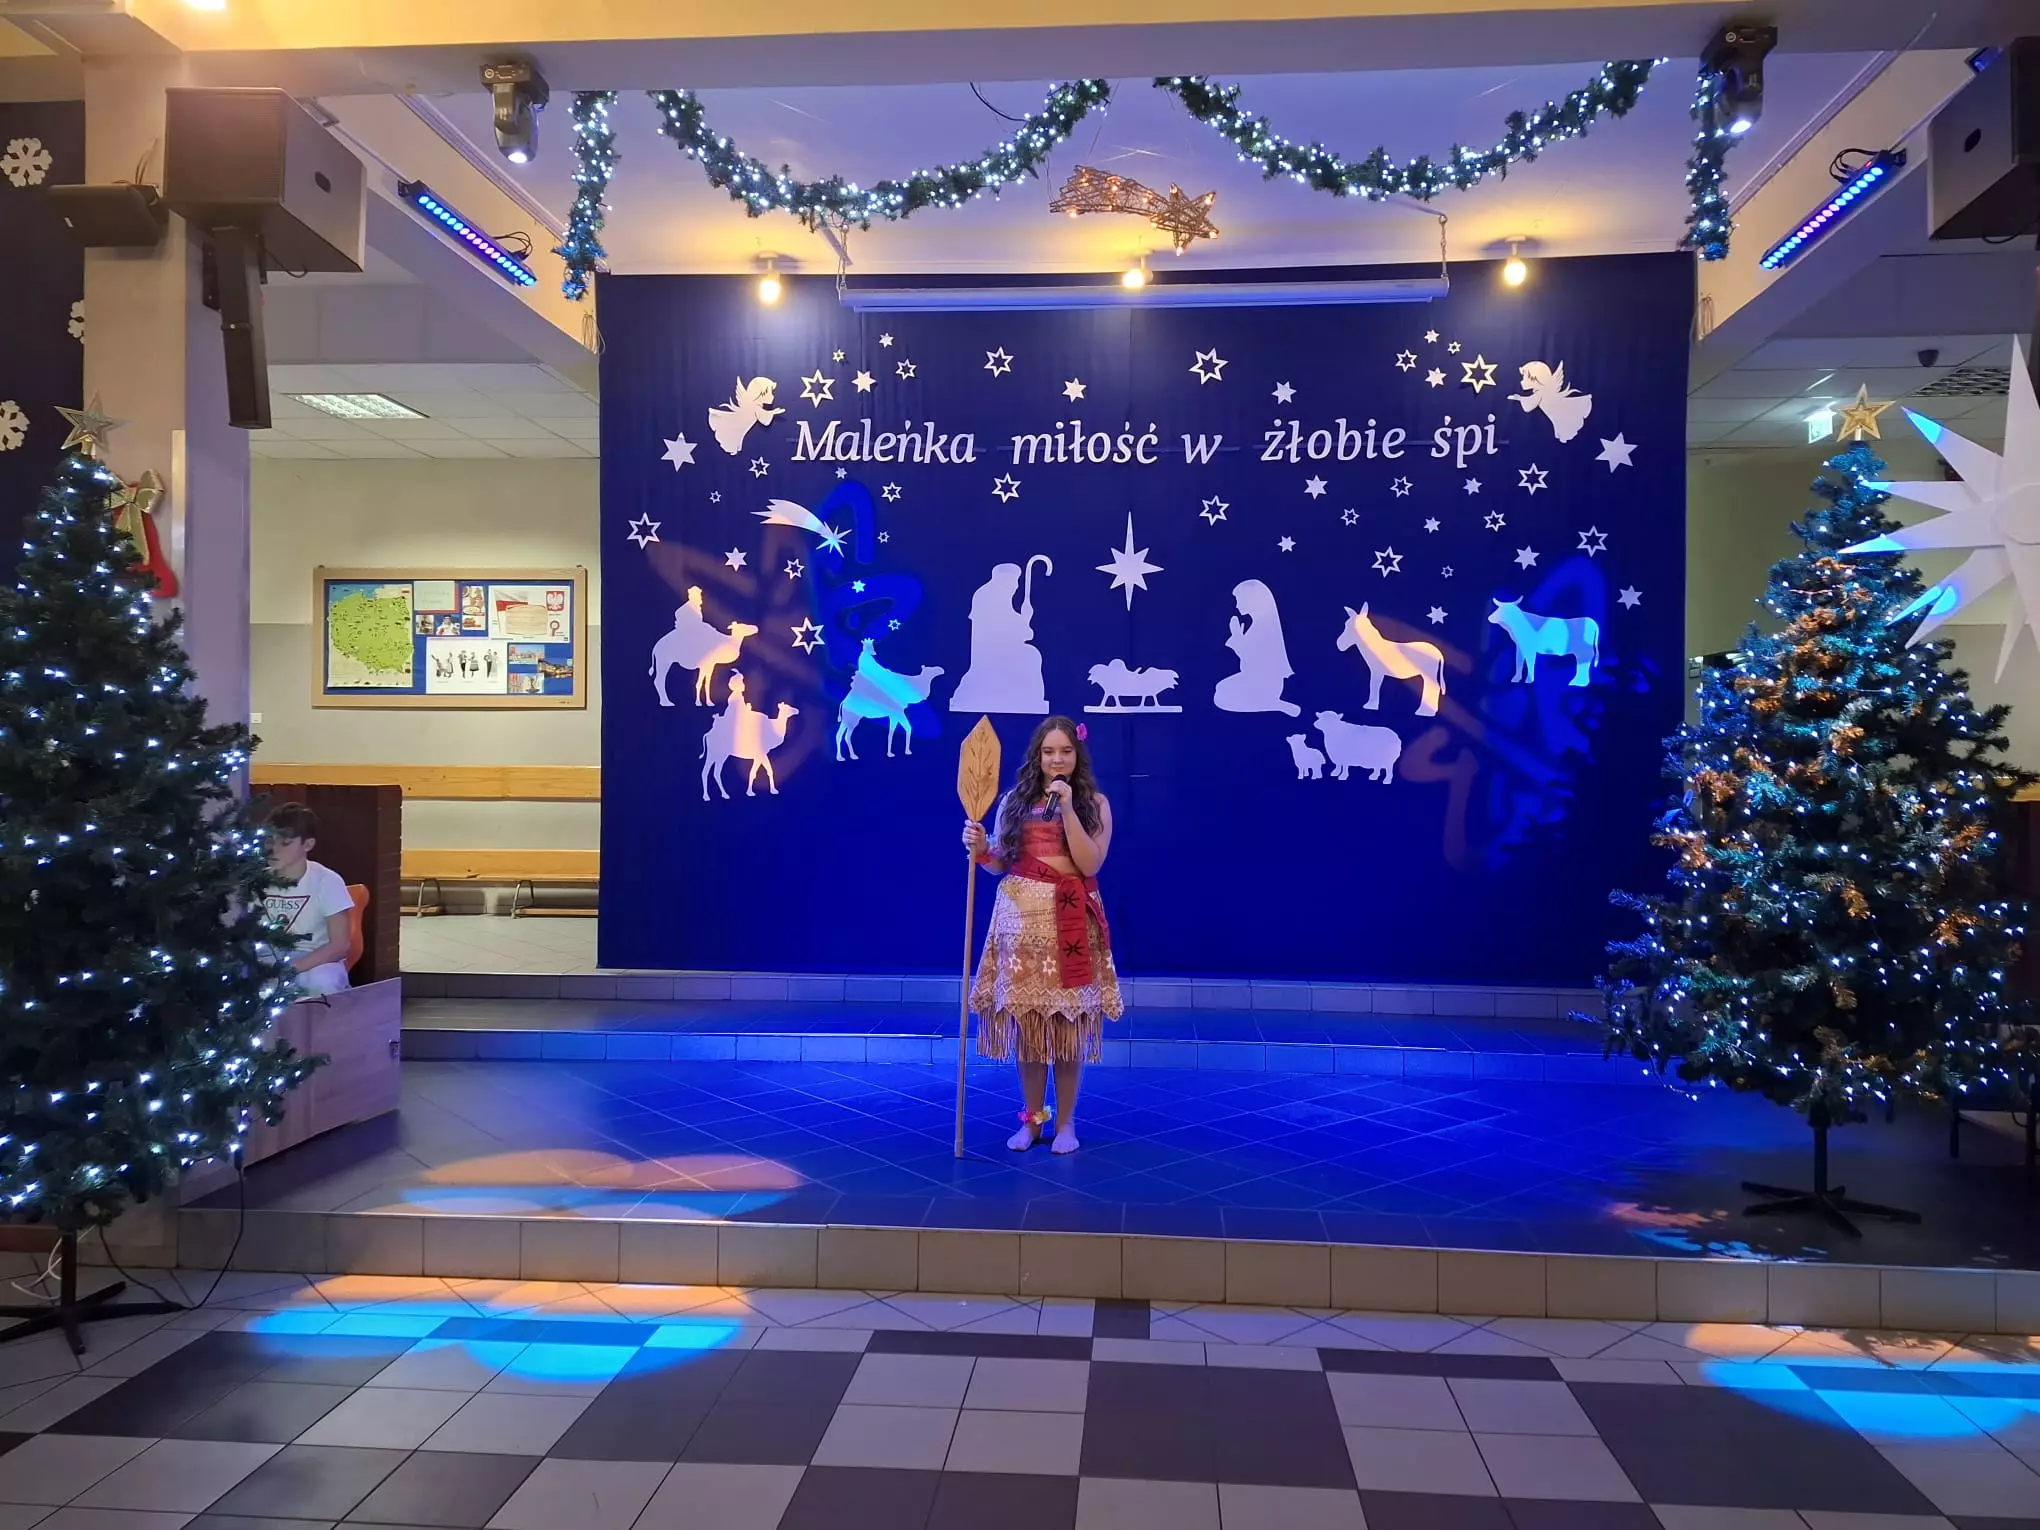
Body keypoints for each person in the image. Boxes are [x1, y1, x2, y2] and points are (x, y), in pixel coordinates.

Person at [962, 717, 1122, 1153]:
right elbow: (1000, 861)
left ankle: (1065, 1124)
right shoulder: (1014, 801)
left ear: (1077, 755)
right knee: (1030, 1029)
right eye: (1049, 751)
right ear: (1037, 755)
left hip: (1071, 923)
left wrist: (1067, 808)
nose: (1057, 760)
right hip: (1021, 924)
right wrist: (980, 848)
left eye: (1065, 751)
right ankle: (1032, 1121)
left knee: (1067, 1030)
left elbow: (1089, 864)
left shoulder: (1095, 804)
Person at [263, 802, 355, 996]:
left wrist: (293, 968)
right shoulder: (256, 881)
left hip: (316, 960)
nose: (273, 849)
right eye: (270, 841)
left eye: (285, 843)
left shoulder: (327, 881)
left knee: (323, 983)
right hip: (267, 959)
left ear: (308, 844)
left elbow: (340, 945)